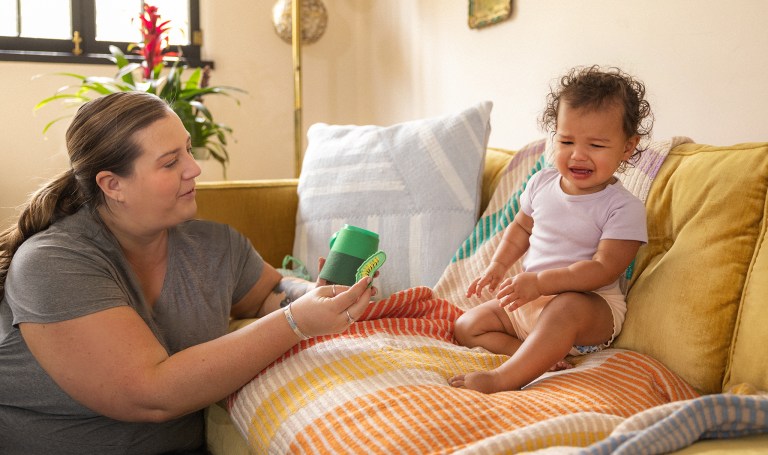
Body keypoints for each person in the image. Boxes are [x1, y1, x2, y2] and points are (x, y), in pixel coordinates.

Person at [0, 91, 376, 454]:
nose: (194, 169)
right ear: (113, 185)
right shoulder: (52, 263)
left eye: (188, 151)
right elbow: (150, 395)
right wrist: (296, 322)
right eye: (170, 162)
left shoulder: (214, 246)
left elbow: (267, 292)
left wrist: (316, 293)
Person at [448, 65, 653, 394]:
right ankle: (534, 355)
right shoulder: (542, 182)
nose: (578, 155)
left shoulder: (623, 207)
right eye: (567, 140)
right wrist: (498, 267)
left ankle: (504, 378)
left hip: (588, 309)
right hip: (531, 301)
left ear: (627, 148)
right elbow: (520, 228)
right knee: (467, 325)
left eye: (597, 145)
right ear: (553, 136)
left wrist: (542, 282)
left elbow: (603, 269)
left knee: (566, 307)